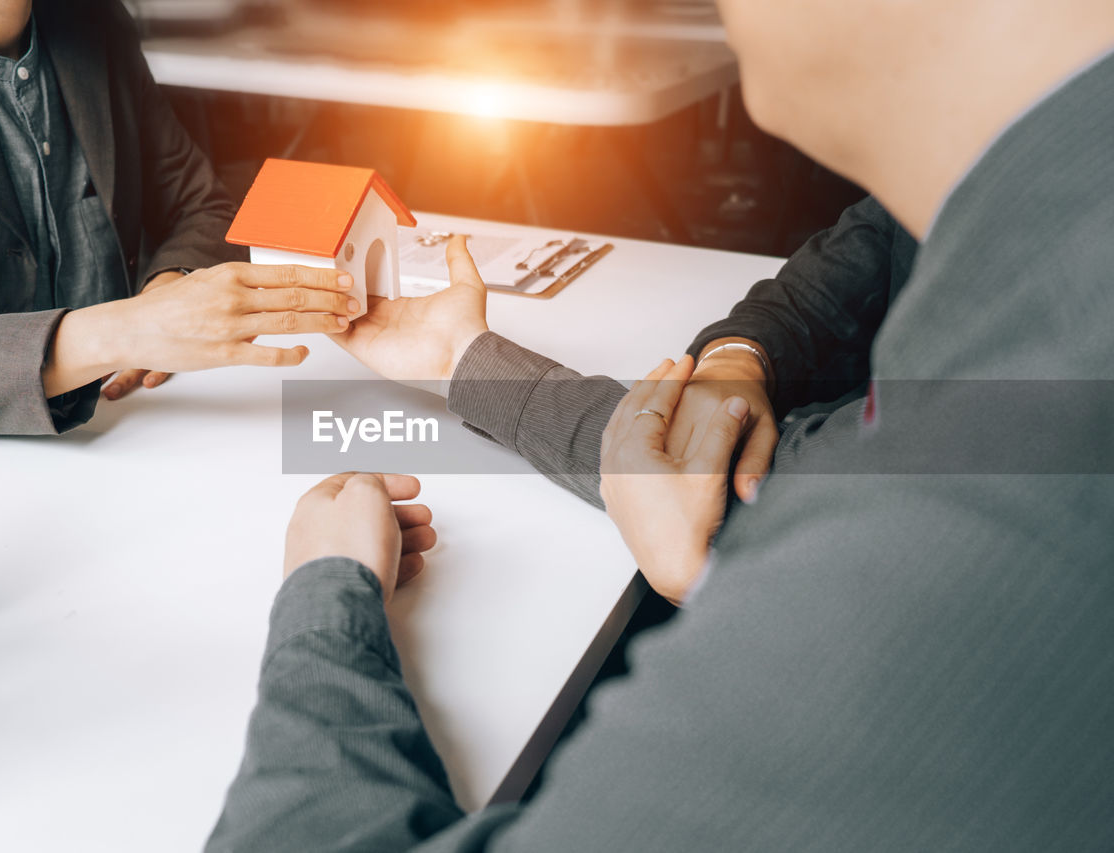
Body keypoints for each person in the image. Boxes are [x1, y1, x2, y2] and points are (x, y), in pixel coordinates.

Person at [206, 0, 1114, 848]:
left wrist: (328, 595)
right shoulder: (1042, 205)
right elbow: (868, 246)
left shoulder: (981, 511)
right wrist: (736, 356)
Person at [0, 0, 356, 437]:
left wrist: (168, 295)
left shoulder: (94, 16)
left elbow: (201, 203)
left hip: (137, 425)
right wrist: (126, 331)